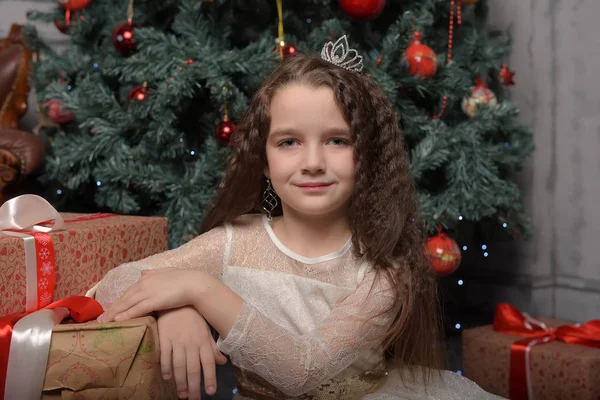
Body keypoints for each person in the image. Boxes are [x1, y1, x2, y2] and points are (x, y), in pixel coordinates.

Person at [92, 36, 503, 400]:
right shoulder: (235, 242)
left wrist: (199, 289)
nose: (312, 162)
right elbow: (109, 288)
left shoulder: (383, 268)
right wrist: (175, 309)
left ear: (368, 159)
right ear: (265, 162)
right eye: (289, 142)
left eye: (337, 141)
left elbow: (300, 372)